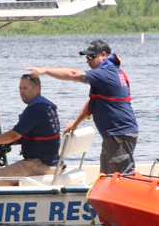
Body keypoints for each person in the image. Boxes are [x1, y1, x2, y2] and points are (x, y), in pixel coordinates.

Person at [26, 39, 139, 175]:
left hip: (119, 135)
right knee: (107, 176)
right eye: (87, 57)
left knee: (120, 179)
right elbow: (94, 100)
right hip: (115, 135)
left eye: (91, 57)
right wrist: (75, 122)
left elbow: (74, 74)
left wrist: (45, 70)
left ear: (104, 55)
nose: (88, 61)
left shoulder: (106, 74)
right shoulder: (110, 73)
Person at [0, 75, 61, 186]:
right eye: (20, 88)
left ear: (37, 89)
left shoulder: (35, 109)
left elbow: (14, 135)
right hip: (51, 161)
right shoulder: (45, 106)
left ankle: (6, 203)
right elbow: (25, 135)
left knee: (0, 176)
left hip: (42, 163)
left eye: (25, 88)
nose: (21, 92)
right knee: (9, 170)